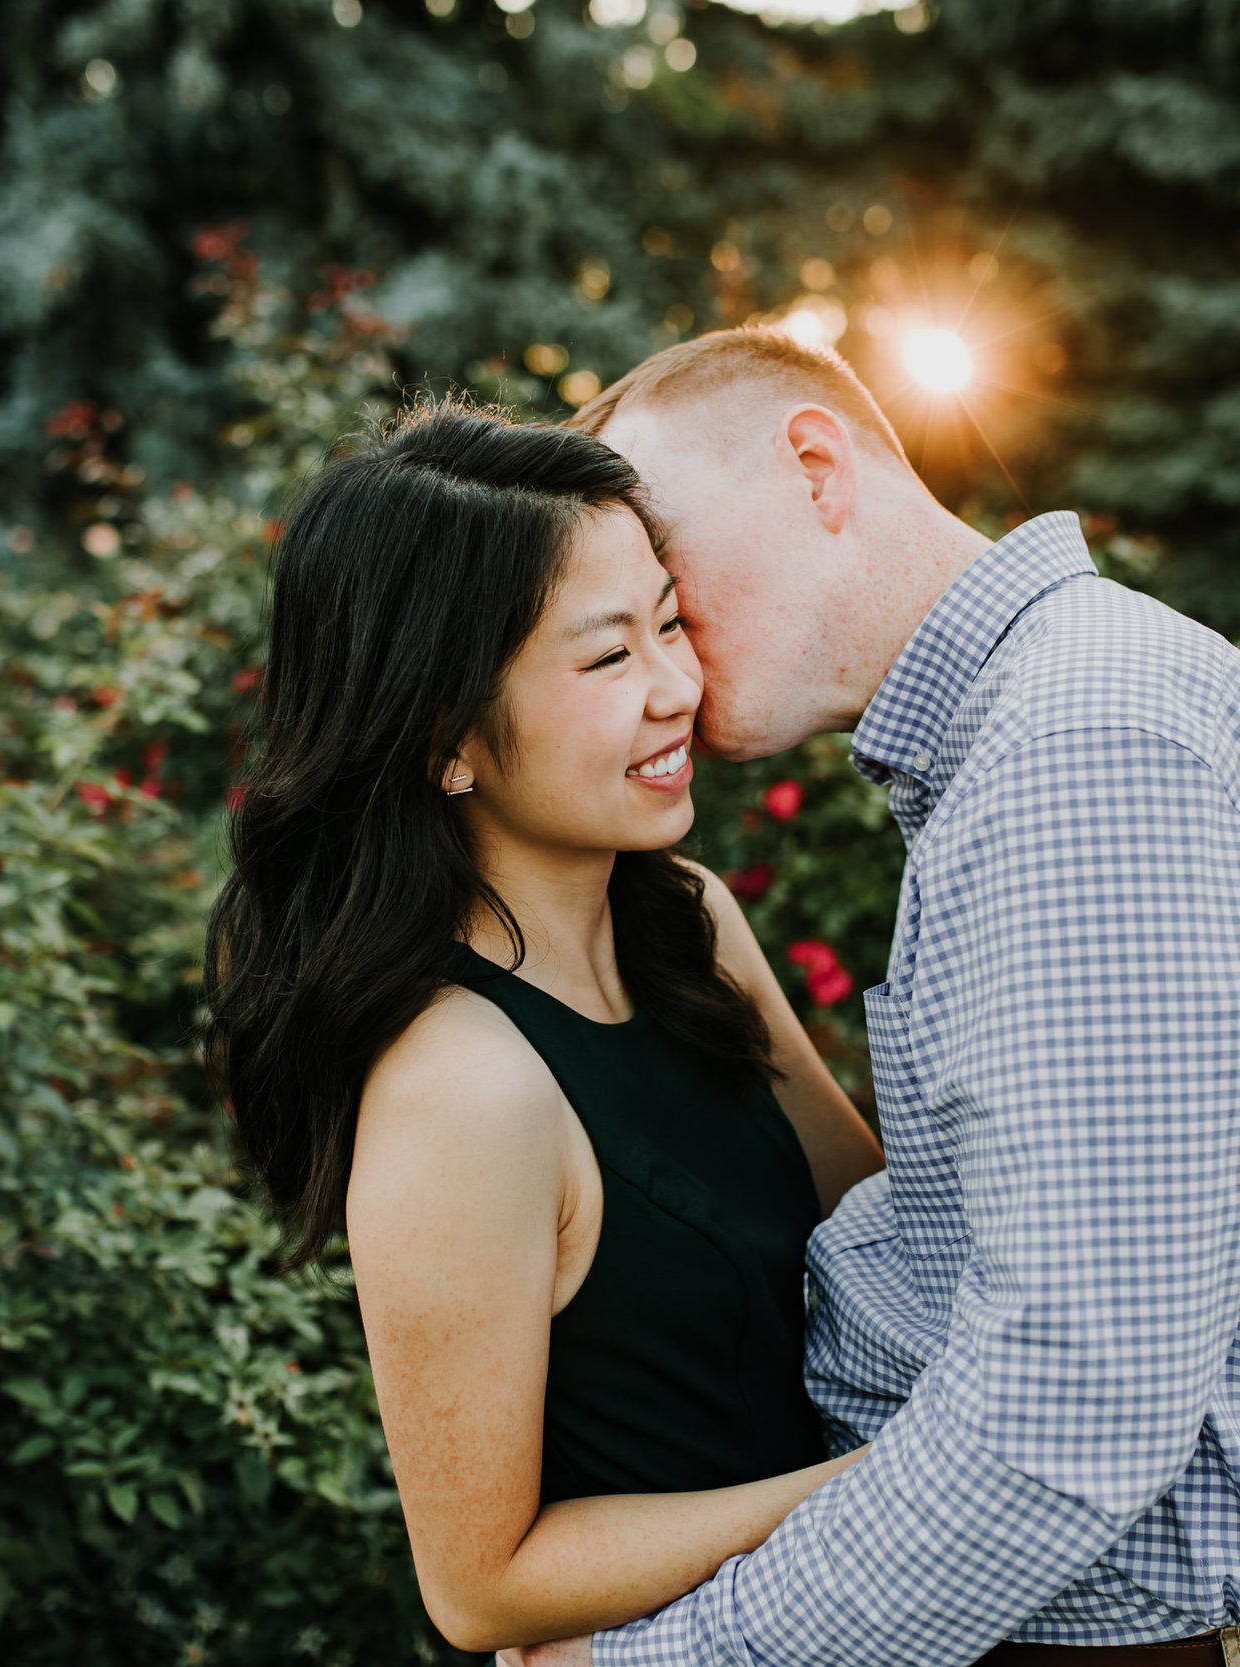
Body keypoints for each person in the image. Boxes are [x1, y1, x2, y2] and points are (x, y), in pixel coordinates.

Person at [497, 328, 1240, 1667]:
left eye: (665, 568)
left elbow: (1069, 1415)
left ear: (817, 467)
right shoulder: (1039, 722)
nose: (669, 659)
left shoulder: (1078, 750)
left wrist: (668, 1658)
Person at [204, 403, 885, 1657]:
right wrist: (884, 1494)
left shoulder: (689, 924)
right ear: (445, 739)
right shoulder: (463, 1087)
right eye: (606, 658)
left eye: (669, 622)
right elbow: (482, 1582)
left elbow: (881, 1225)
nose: (679, 688)